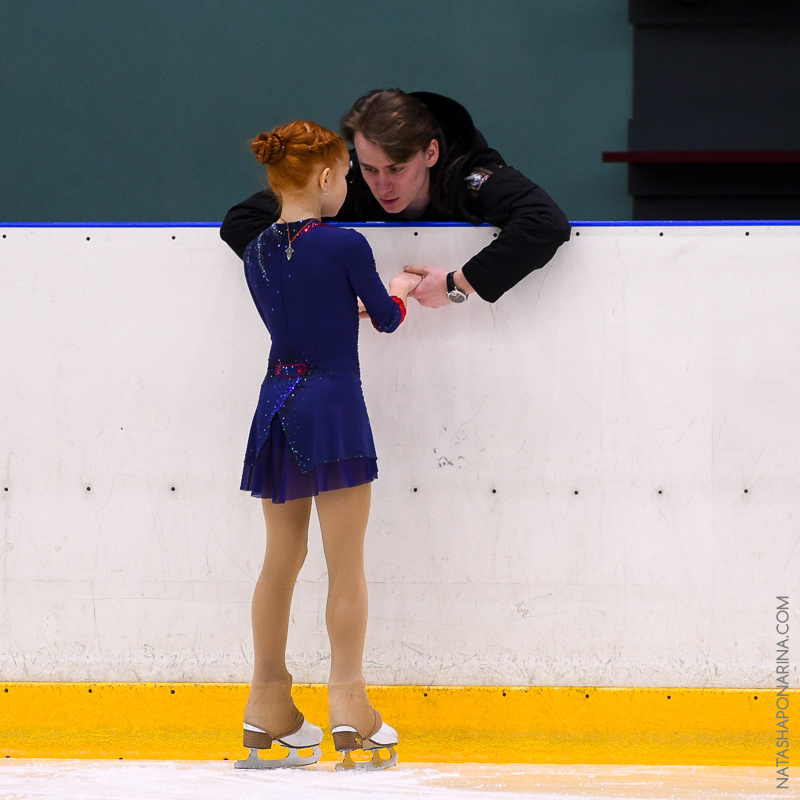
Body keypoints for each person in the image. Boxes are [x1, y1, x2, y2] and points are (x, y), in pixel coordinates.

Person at [232, 119, 419, 772]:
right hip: (333, 404)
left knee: (279, 561)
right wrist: (393, 293)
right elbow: (387, 317)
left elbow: (298, 313)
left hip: (275, 403)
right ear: (325, 177)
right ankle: (350, 707)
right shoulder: (344, 243)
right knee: (346, 563)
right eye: (345, 176)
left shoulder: (256, 249)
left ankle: (267, 705)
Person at [221, 89, 571, 305]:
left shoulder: (470, 175)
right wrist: (322, 280)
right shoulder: (349, 180)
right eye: (370, 169)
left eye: (397, 169)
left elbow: (545, 223)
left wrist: (458, 284)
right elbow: (241, 223)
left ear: (431, 154)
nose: (382, 186)